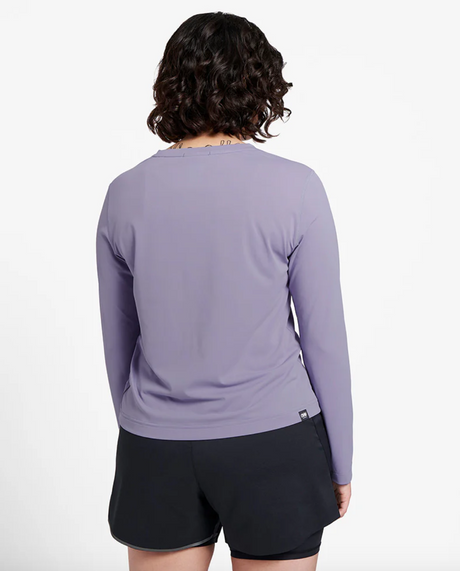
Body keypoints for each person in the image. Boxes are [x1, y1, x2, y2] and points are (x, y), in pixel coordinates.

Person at [96, 11, 353, 571]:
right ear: (260, 86)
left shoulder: (124, 194)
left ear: (171, 83)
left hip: (156, 446)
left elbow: (118, 342)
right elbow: (324, 340)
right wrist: (341, 460)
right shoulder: (296, 187)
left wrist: (146, 433)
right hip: (274, 442)